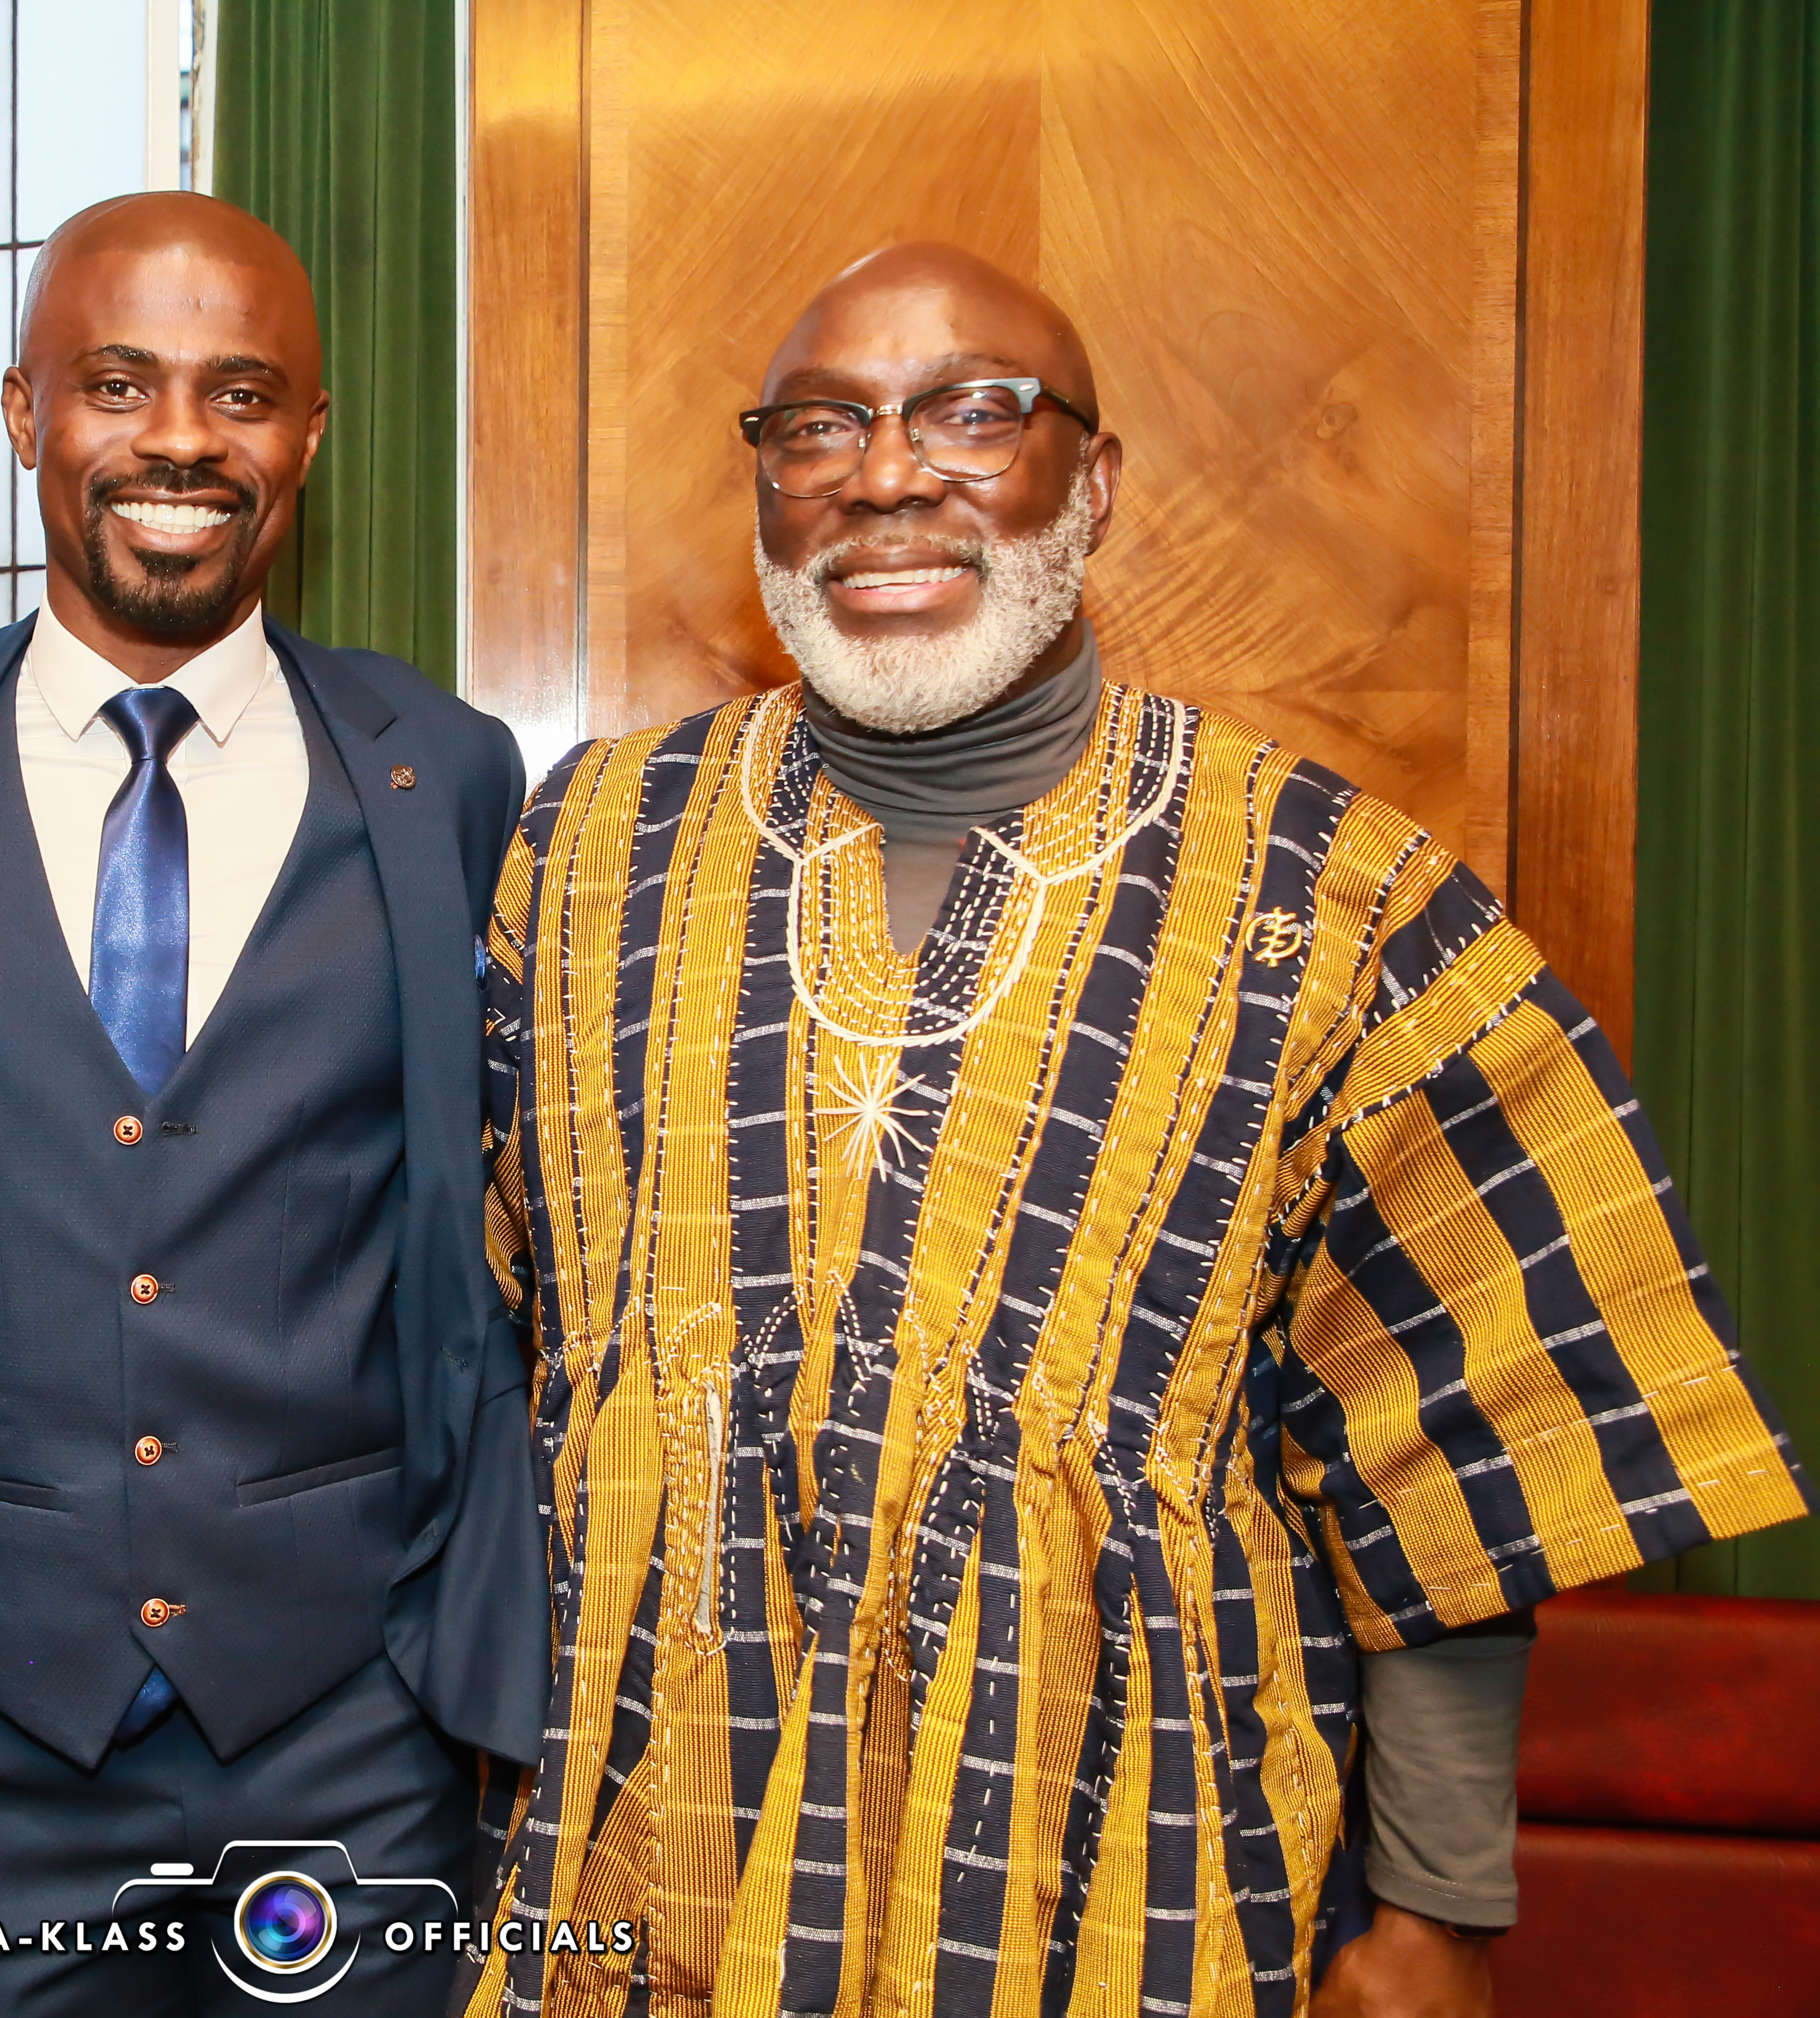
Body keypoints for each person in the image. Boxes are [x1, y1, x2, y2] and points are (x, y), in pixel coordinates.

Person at [472, 243, 1807, 2016]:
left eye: (971, 416)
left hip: (1125, 1865)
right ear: (767, 486)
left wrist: (1438, 1907)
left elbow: (1466, 1458)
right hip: (634, 1851)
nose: (886, 476)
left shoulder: (1345, 905)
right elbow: (461, 1351)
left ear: (1090, 481)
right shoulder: (580, 856)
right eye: (821, 428)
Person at [0, 192, 545, 2014]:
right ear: (26, 414)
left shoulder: (449, 777)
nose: (179, 440)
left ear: (310, 435)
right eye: (119, 383)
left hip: (352, 1742)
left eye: (242, 394)